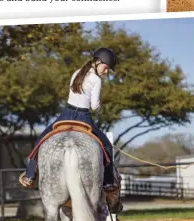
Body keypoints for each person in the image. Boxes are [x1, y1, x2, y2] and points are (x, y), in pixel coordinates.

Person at [19, 47, 122, 212]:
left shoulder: (77, 72)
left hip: (66, 114)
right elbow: (94, 106)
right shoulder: (96, 79)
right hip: (83, 117)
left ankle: (30, 175)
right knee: (107, 146)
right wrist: (100, 105)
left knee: (41, 140)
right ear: (99, 62)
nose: (107, 71)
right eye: (107, 67)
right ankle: (109, 181)